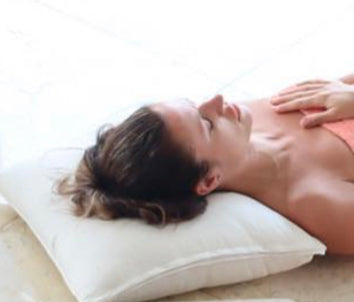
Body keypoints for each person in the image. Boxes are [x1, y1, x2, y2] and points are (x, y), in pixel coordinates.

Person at [61, 73, 354, 253]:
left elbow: (338, 88)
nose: (217, 101)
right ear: (209, 180)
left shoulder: (245, 117)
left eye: (195, 105)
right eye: (206, 123)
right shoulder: (316, 201)